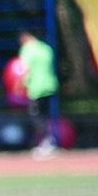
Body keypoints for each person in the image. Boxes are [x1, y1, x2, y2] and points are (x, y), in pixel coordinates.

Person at [19, 29, 60, 157]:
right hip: (50, 84)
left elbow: (25, 69)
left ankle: (48, 142)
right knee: (45, 116)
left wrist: (22, 84)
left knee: (36, 117)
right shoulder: (46, 48)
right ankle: (47, 142)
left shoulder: (27, 49)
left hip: (36, 87)